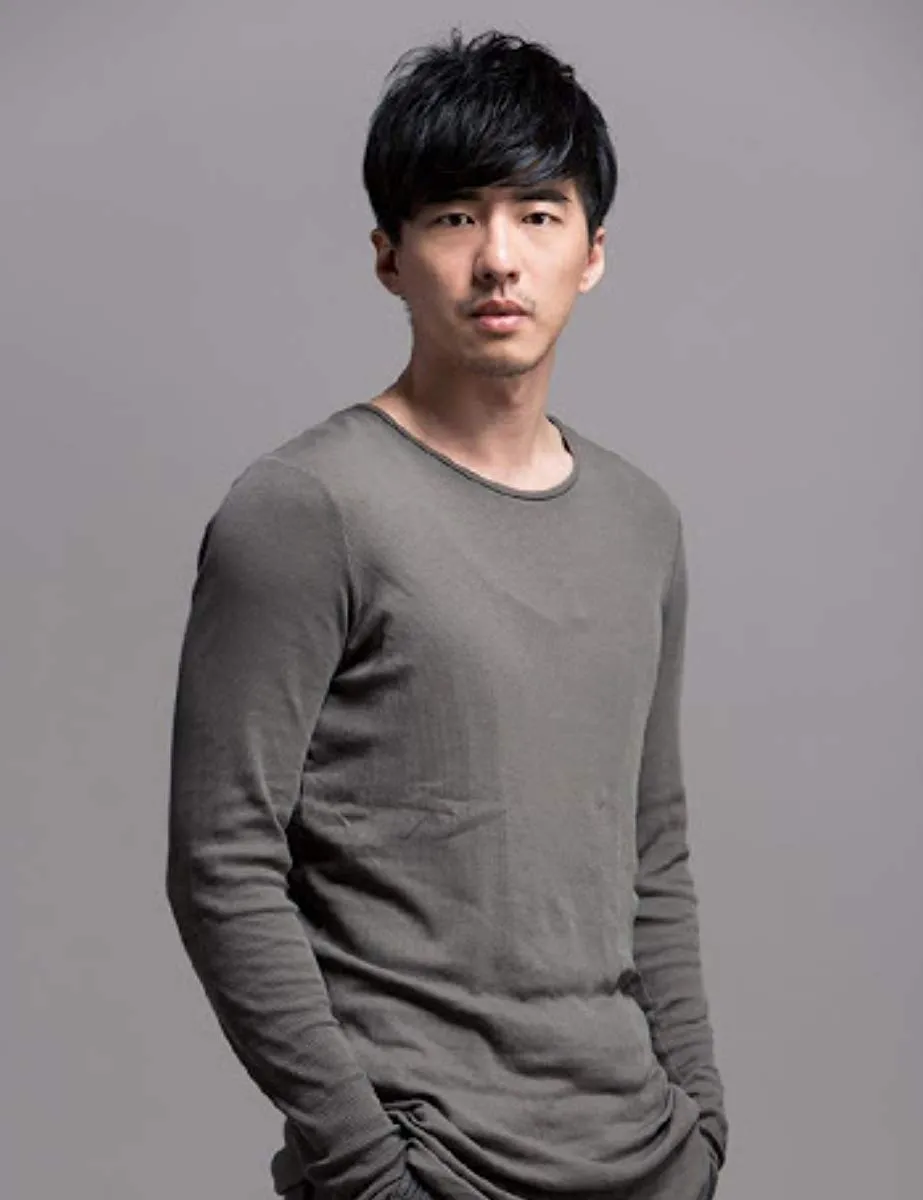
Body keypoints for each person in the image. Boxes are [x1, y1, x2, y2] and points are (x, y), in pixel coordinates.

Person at [167, 27, 728, 1200]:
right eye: (453, 217)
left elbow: (652, 849)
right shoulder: (304, 509)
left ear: (592, 252)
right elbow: (221, 866)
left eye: (538, 213)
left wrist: (700, 1125)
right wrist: (367, 1167)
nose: (497, 260)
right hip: (428, 1167)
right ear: (389, 256)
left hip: (646, 1159)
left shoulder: (640, 521)